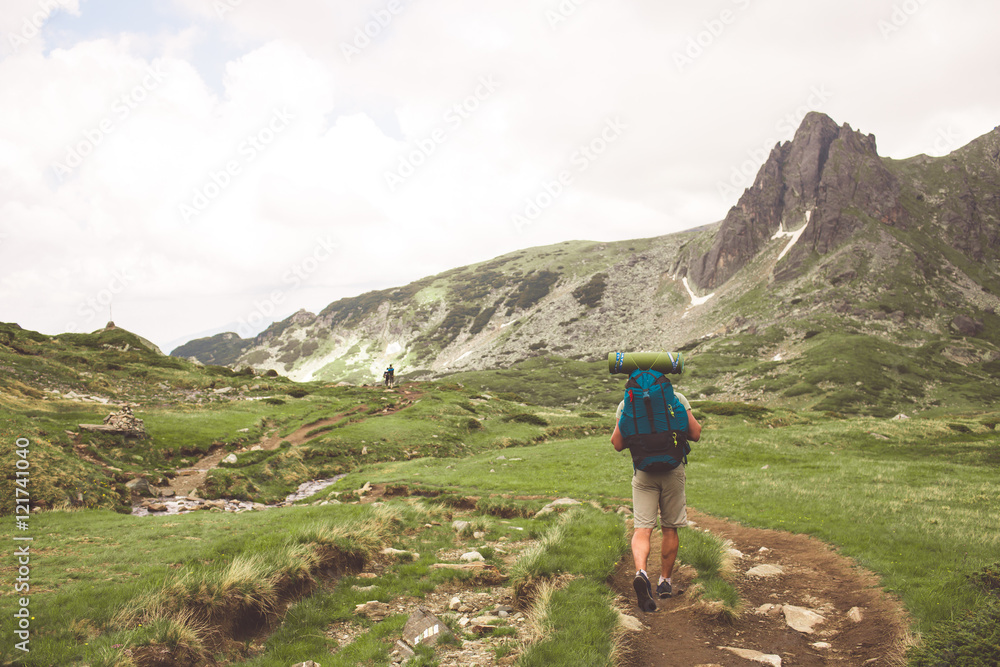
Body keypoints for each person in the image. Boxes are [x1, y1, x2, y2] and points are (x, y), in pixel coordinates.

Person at [611, 391, 701, 612]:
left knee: (642, 529)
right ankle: (665, 582)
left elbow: (617, 443)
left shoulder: (627, 402)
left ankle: (641, 572)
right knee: (670, 528)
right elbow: (696, 433)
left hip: (643, 472)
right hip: (673, 470)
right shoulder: (676, 398)